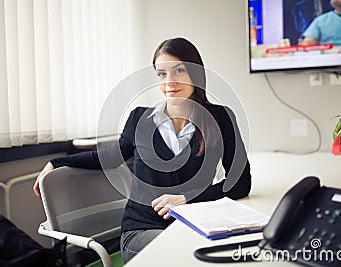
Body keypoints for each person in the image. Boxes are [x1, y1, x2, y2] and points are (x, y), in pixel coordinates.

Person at [33, 37, 252, 263]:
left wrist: (187, 198)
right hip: (142, 230)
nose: (170, 81)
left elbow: (241, 182)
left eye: (179, 71)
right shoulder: (140, 118)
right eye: (161, 74)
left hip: (193, 226)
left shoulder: (220, 118)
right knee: (185, 257)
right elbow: (110, 156)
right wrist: (56, 162)